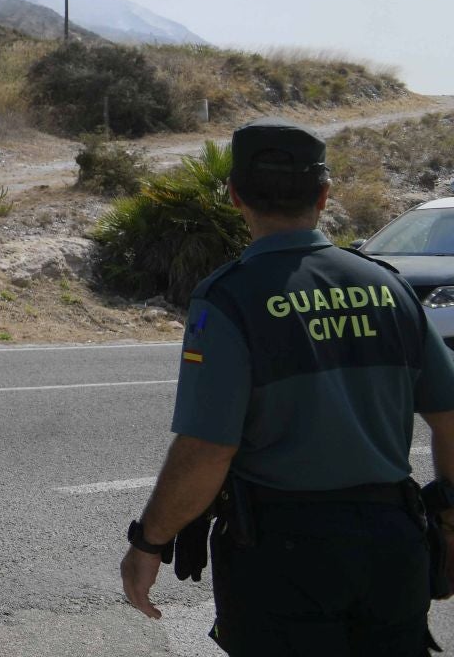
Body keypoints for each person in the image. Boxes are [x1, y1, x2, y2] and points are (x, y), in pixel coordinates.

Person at [120, 118, 454, 655]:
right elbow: (451, 416)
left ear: (234, 196)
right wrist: (449, 517)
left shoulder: (230, 299)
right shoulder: (388, 287)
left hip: (283, 556)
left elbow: (207, 450)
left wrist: (149, 541)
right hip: (393, 545)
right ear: (323, 195)